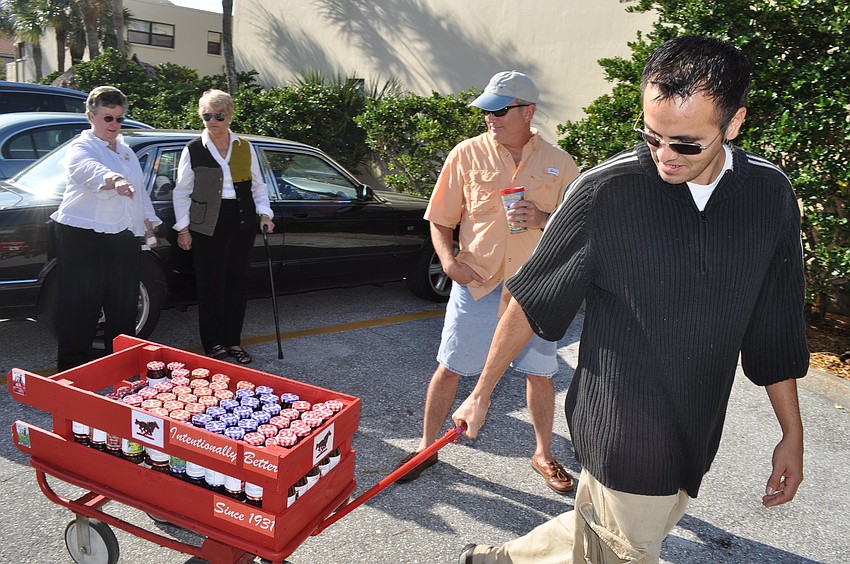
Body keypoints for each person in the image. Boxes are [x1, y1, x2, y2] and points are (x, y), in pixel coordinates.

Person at [453, 36, 808, 563]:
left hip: (698, 419)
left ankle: (499, 560)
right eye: (651, 137)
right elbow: (531, 298)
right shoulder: (606, 191)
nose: (664, 156)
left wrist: (792, 433)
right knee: (629, 548)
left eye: (686, 143)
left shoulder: (769, 195)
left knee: (607, 528)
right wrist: (482, 392)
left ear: (733, 124)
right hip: (621, 423)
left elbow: (773, 322)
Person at [395, 71, 580, 494]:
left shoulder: (561, 162)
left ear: (527, 111)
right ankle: (426, 447)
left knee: (540, 373)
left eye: (499, 110)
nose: (489, 118)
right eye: (486, 111)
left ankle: (543, 454)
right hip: (477, 282)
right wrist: (448, 261)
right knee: (450, 367)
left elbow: (578, 228)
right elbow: (440, 219)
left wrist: (542, 218)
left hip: (533, 290)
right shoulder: (466, 154)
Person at [51, 86, 161, 372]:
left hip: (122, 234)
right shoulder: (81, 146)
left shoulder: (126, 152)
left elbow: (140, 191)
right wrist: (113, 179)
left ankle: (123, 369)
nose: (114, 125)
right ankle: (72, 373)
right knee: (81, 307)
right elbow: (85, 169)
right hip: (82, 234)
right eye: (108, 118)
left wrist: (147, 224)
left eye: (119, 118)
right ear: (91, 116)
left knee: (123, 305)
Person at [172, 89, 275, 364]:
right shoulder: (193, 149)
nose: (212, 121)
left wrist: (265, 214)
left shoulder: (244, 146)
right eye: (207, 115)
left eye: (219, 115)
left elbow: (258, 185)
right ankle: (214, 344)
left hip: (240, 220)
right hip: (207, 224)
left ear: (229, 116)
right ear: (200, 116)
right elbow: (181, 192)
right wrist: (183, 229)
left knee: (236, 285)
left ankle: (233, 341)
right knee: (210, 286)